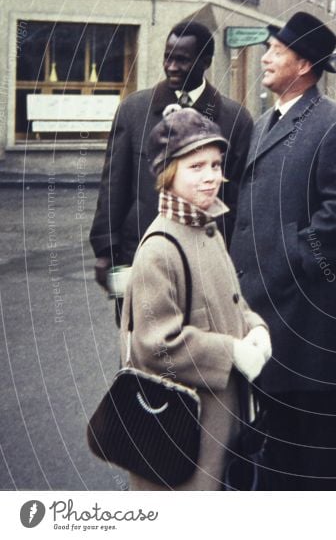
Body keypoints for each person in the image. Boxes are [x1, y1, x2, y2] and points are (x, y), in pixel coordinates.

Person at [230, 12, 336, 490]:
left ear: (305, 63)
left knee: (312, 466)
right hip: (263, 319)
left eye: (276, 50)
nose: (265, 58)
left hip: (307, 327)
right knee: (271, 460)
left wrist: (291, 259)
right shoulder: (265, 121)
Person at [122, 107, 271, 490]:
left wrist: (254, 327)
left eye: (216, 164)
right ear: (167, 173)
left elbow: (231, 301)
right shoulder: (160, 248)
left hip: (219, 421)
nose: (212, 177)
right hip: (183, 434)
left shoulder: (207, 228)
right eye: (196, 167)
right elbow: (155, 345)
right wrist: (231, 352)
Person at [90, 21, 253, 308]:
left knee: (200, 343)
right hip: (141, 252)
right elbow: (113, 184)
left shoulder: (235, 119)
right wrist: (106, 249)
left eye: (182, 59)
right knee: (140, 342)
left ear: (205, 62)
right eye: (168, 57)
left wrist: (229, 253)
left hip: (206, 258)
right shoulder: (134, 110)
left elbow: (239, 197)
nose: (172, 66)